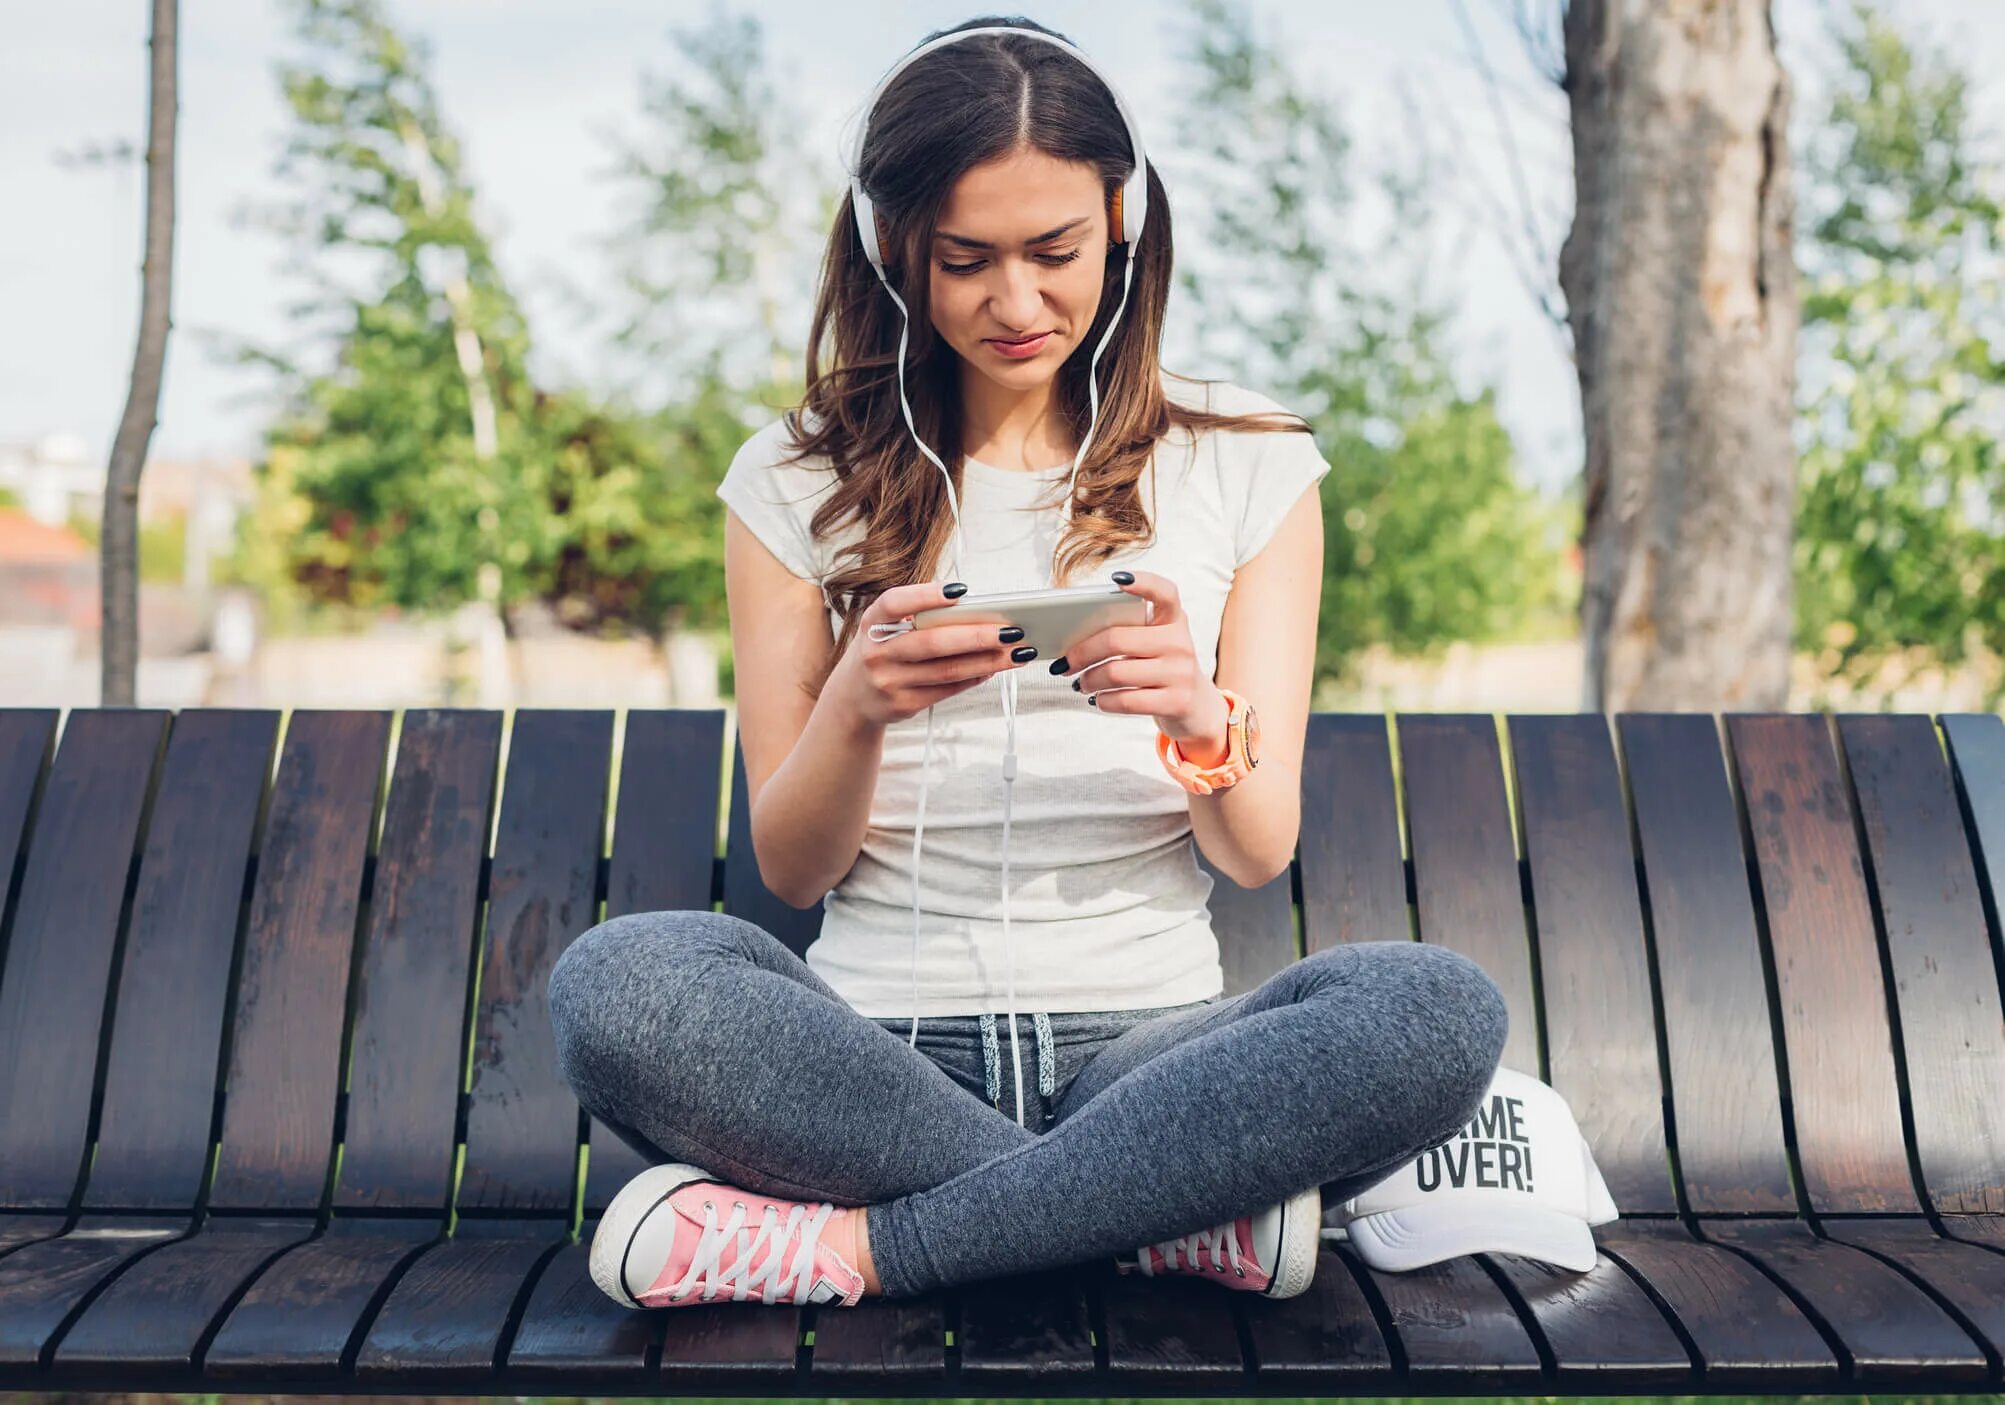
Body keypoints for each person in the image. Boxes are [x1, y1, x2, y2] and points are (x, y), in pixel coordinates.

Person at [546, 14, 1509, 1312]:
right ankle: (1152, 1215)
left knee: (1431, 1008)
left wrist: (1196, 716)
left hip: (1152, 1051)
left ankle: (865, 1251)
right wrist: (855, 708)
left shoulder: (1250, 461)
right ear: (897, 253)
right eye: (965, 261)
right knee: (618, 984)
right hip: (873, 1055)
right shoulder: (791, 476)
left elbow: (1253, 849)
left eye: (1053, 252)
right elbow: (791, 866)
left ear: (1122, 217)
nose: (1015, 303)